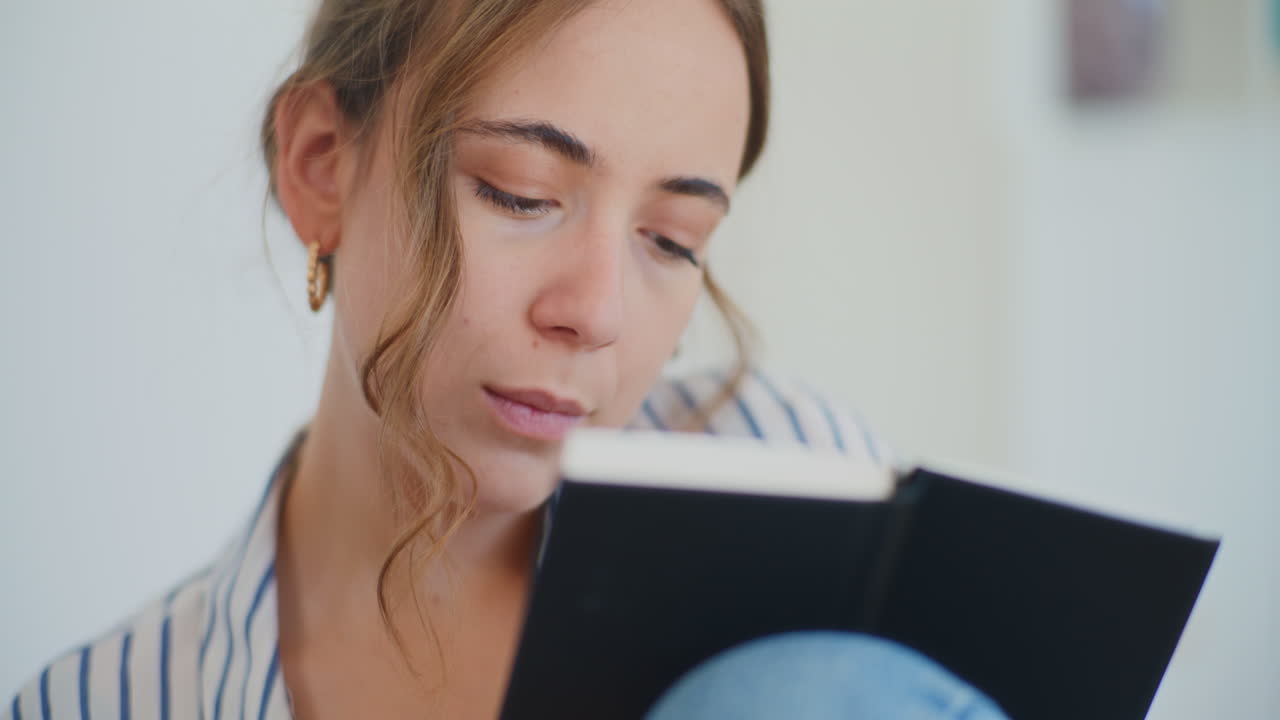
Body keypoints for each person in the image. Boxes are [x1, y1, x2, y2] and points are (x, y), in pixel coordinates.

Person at [5, 1, 1008, 719]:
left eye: (670, 240)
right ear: (321, 163)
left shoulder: (807, 480)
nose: (597, 313)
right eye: (520, 194)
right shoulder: (102, 701)